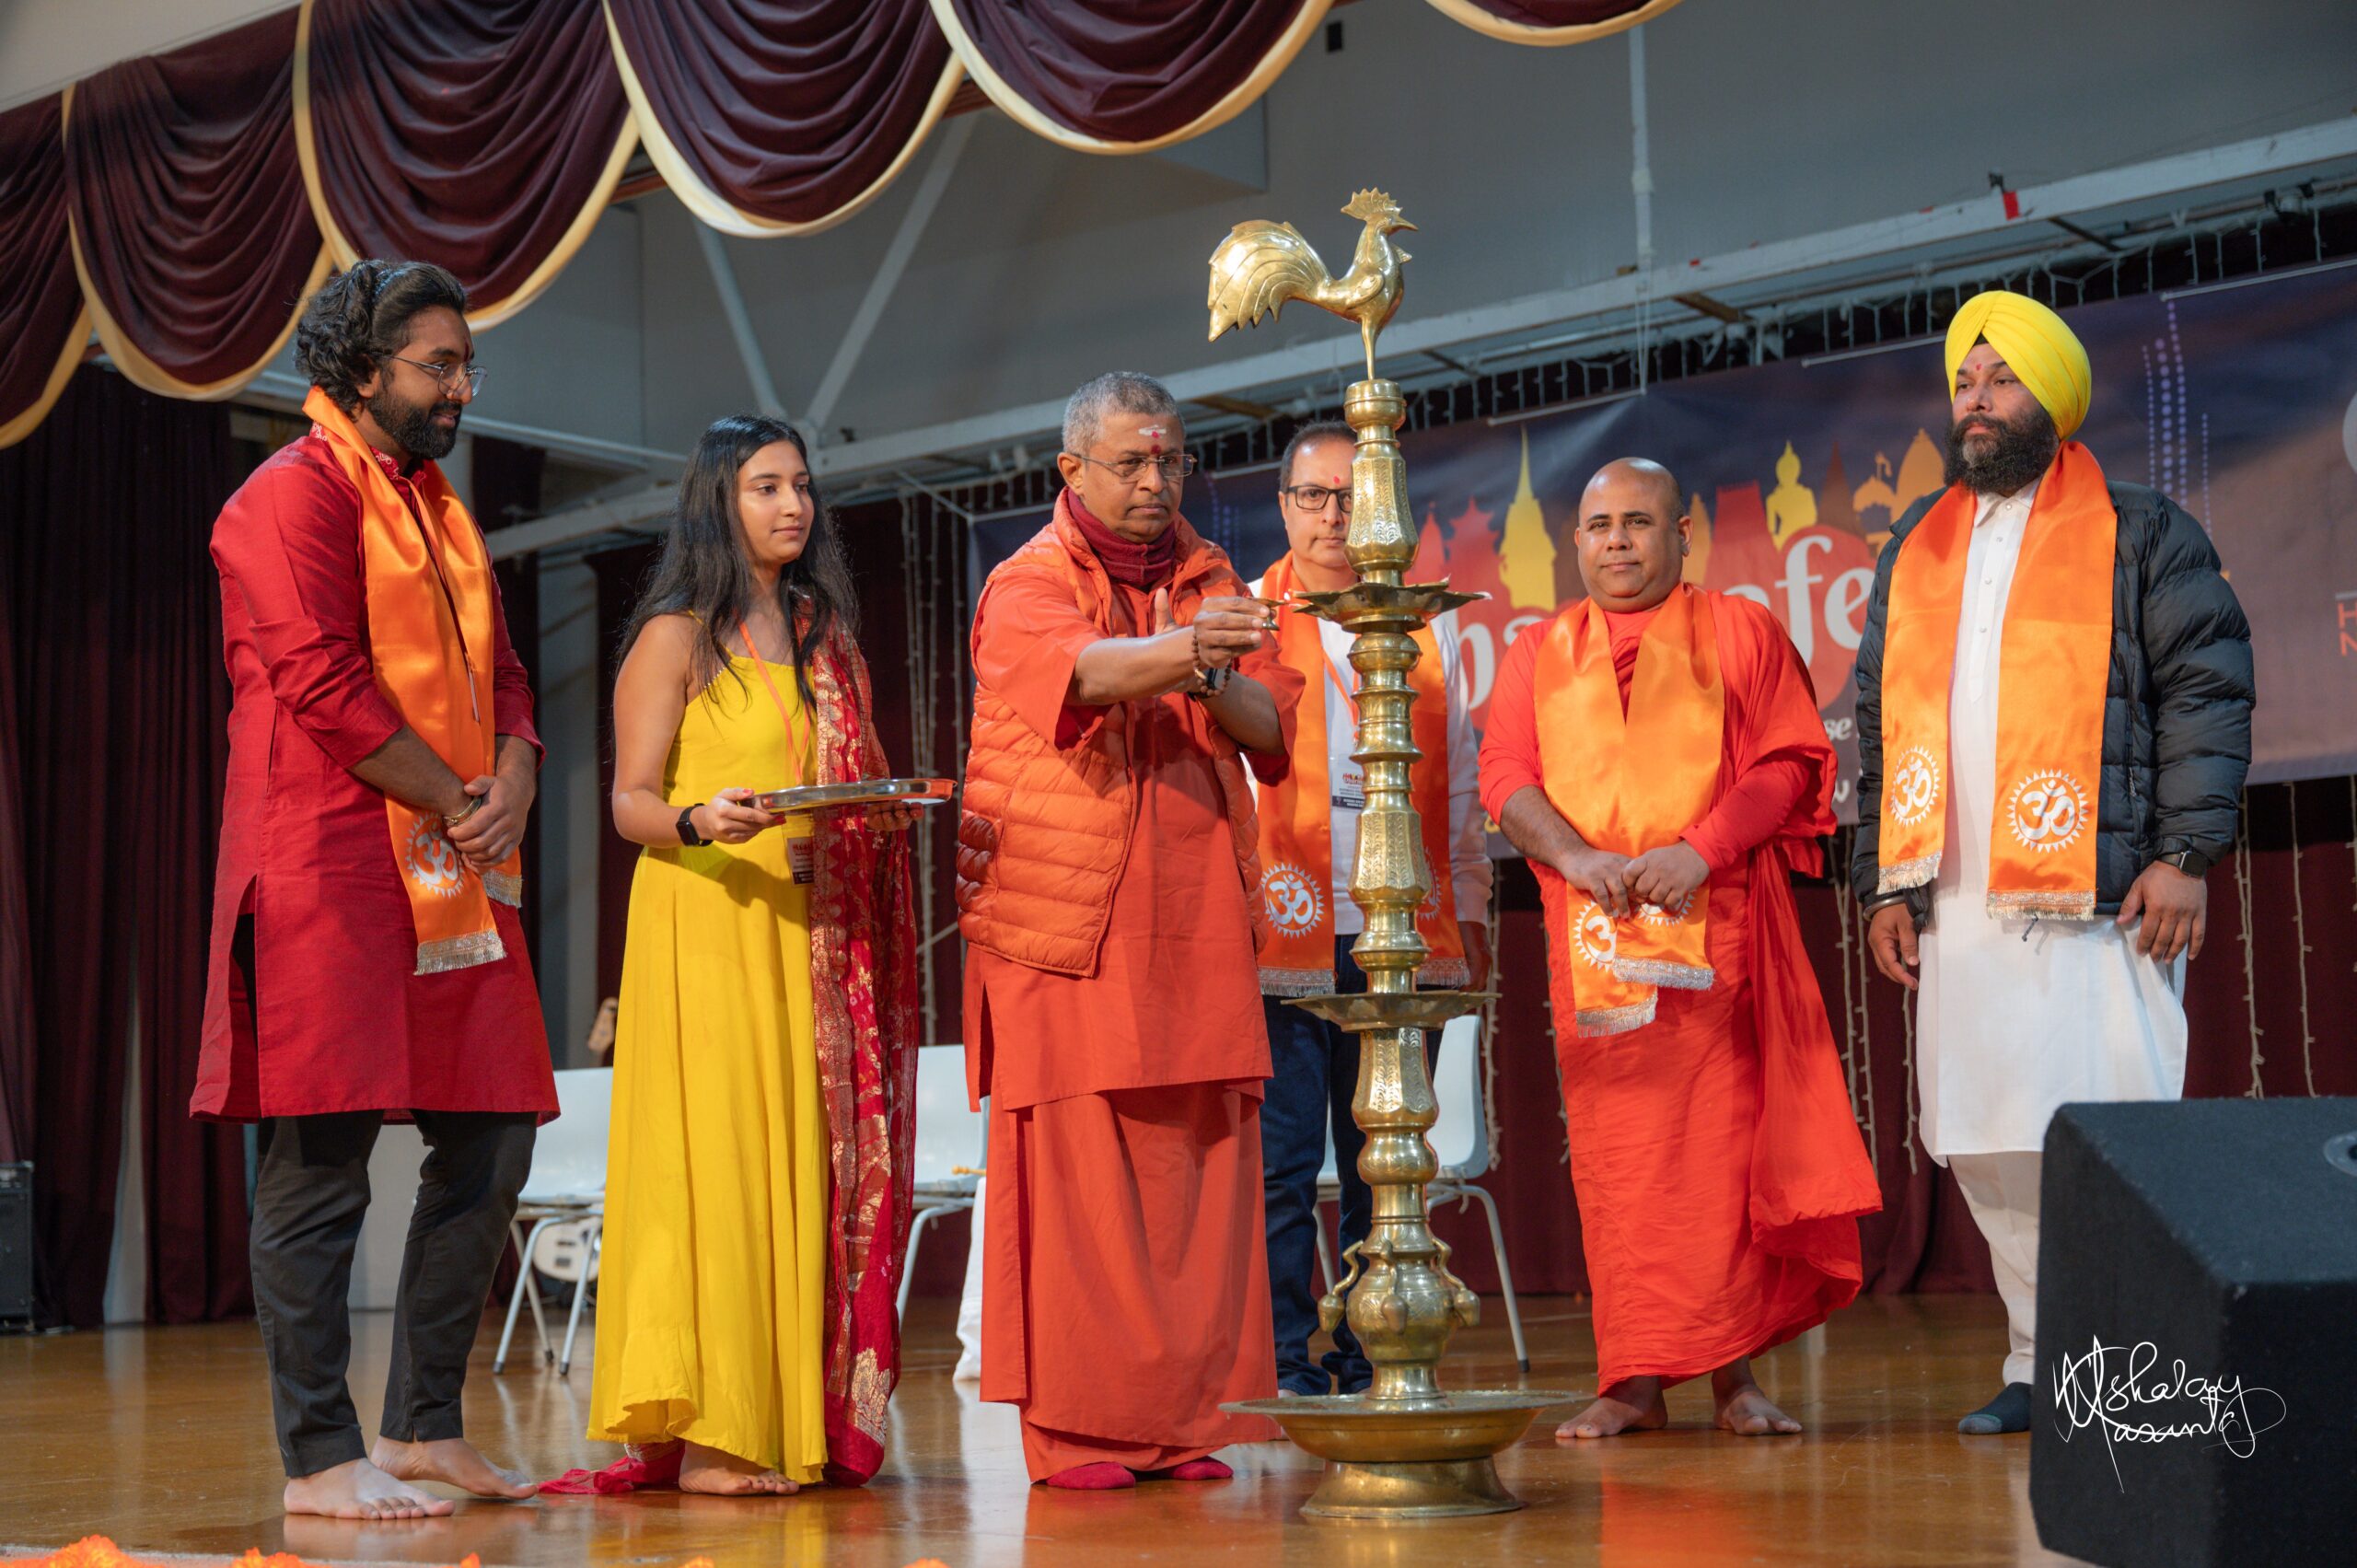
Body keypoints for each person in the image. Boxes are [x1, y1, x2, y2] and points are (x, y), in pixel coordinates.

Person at [1852, 290, 2253, 1435]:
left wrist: (2184, 852)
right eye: (1963, 385)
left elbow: (2205, 691)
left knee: (2100, 1138)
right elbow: (1880, 727)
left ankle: (2132, 1365)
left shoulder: (2141, 530)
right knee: (1986, 1142)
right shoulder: (1917, 549)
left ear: (2053, 397)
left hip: (2095, 897)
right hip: (1960, 908)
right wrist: (1885, 884)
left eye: (2000, 381)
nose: (1976, 403)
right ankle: (2040, 1359)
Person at [194, 259, 552, 1520]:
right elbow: (323, 681)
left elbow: (506, 675)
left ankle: (421, 1423)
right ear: (362, 370)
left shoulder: (442, 517)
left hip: (454, 861)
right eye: (439, 365)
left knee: (493, 1132)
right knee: (322, 1160)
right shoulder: (281, 499)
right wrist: (465, 798)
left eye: (467, 364)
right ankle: (317, 1456)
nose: (462, 387)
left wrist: (511, 769)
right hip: (330, 866)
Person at [1480, 458, 1880, 1440]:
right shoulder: (1537, 650)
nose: (1615, 540)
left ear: (1681, 534)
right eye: (1598, 525)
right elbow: (1503, 775)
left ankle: (1731, 1376)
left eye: (1637, 522)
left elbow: (1790, 763)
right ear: (1571, 542)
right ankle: (1631, 1377)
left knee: (1719, 1160)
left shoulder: (1738, 630)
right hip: (1595, 941)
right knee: (1621, 1168)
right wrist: (1577, 856)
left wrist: (1697, 850)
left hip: (1719, 937)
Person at [958, 371, 1304, 1488]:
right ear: (1072, 473)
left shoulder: (1210, 579)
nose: (1157, 482)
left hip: (1195, 906)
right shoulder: (1024, 582)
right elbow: (1083, 672)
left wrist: (1210, 658)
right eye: (1130, 464)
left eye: (1171, 461)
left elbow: (1270, 725)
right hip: (1065, 919)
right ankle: (1079, 1429)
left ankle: (1182, 1421)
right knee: (1082, 1174)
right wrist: (1194, 647)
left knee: (1197, 1163)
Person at [576, 415, 920, 1493]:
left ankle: (780, 1420)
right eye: (766, 486)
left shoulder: (826, 639)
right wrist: (695, 818)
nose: (791, 506)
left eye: (802, 486)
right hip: (704, 923)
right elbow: (629, 802)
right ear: (719, 502)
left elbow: (840, 785)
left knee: (798, 1172)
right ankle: (715, 1434)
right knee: (720, 1170)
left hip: (804, 934)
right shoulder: (674, 635)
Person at [1246, 420, 1493, 1397]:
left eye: (1354, 496)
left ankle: (1374, 1350)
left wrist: (1465, 920)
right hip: (1280, 928)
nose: (1336, 516)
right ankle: (1279, 1356)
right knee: (1282, 1158)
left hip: (1401, 934)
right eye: (1315, 495)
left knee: (1382, 1163)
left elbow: (1463, 791)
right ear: (1283, 506)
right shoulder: (1246, 616)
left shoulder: (1424, 622)